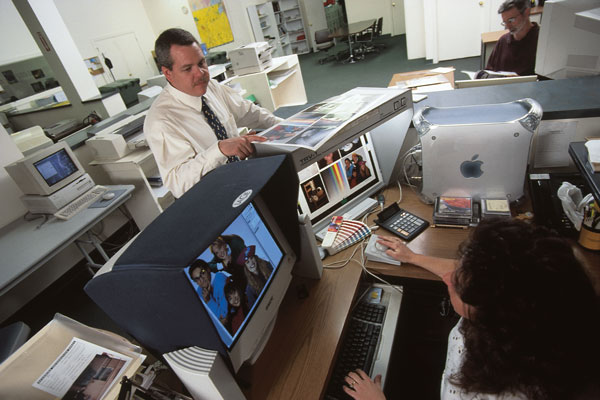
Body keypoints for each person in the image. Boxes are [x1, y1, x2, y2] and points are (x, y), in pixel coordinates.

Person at [343, 219, 600, 400]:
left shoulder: (494, 393)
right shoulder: (545, 305)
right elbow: (488, 273)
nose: (447, 277)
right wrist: (412, 257)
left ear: (494, 315)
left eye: (458, 283)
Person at [144, 28, 282, 198]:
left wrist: (289, 126)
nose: (200, 74)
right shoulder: (161, 121)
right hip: (213, 198)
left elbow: (251, 113)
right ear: (167, 73)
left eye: (201, 63)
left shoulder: (211, 88)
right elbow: (178, 183)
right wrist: (220, 150)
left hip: (244, 180)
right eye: (187, 69)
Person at [485, 0, 539, 76]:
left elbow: (547, 79)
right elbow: (490, 69)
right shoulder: (503, 41)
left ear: (526, 12)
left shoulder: (542, 40)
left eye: (511, 20)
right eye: (505, 22)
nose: (508, 26)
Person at [189, 259, 228, 323]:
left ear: (208, 269)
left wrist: (209, 301)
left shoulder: (220, 279)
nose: (202, 280)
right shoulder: (199, 292)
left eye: (203, 273)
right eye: (197, 279)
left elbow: (224, 316)